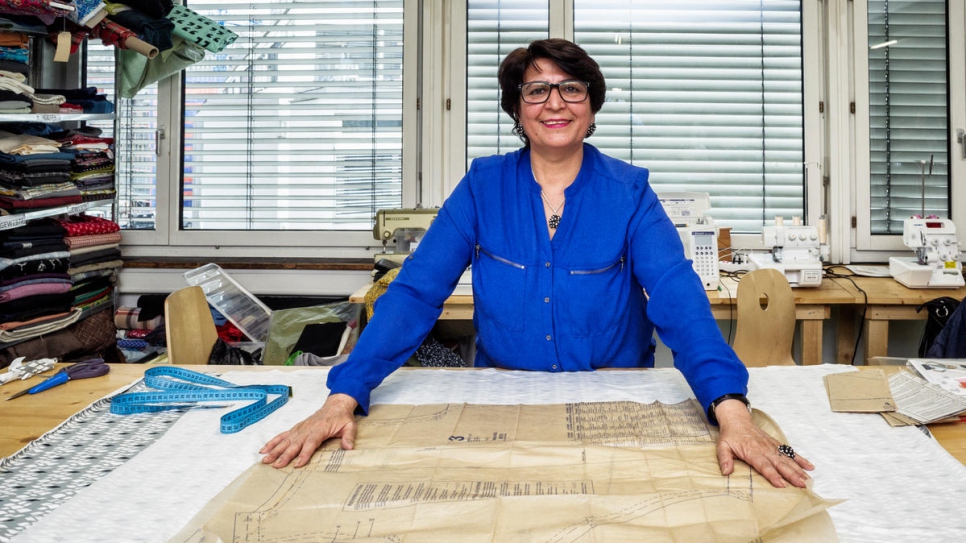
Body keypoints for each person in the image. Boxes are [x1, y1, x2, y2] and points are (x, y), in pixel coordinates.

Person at [261, 38, 814, 489]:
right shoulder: (482, 187)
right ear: (517, 109)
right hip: (504, 398)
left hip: (612, 397)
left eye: (571, 88)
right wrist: (345, 394)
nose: (555, 103)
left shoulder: (630, 192)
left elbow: (677, 297)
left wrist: (731, 410)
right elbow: (415, 293)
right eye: (537, 90)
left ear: (591, 106)